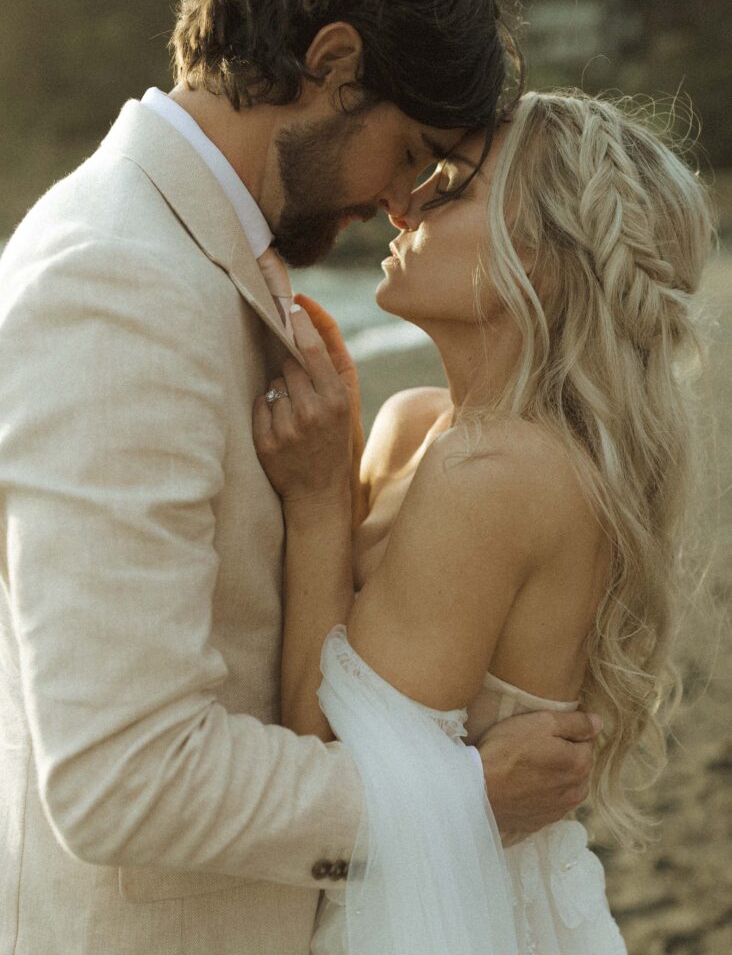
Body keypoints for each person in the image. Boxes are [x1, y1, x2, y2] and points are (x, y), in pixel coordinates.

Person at [0, 0, 600, 955]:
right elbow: (122, 776)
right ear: (331, 65)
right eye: (410, 153)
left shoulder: (191, 246)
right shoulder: (116, 281)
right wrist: (456, 801)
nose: (397, 203)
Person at [254, 89, 714, 954]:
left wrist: (318, 503)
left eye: (451, 189)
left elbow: (318, 750)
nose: (402, 201)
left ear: (537, 258)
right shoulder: (416, 426)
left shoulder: (499, 472)